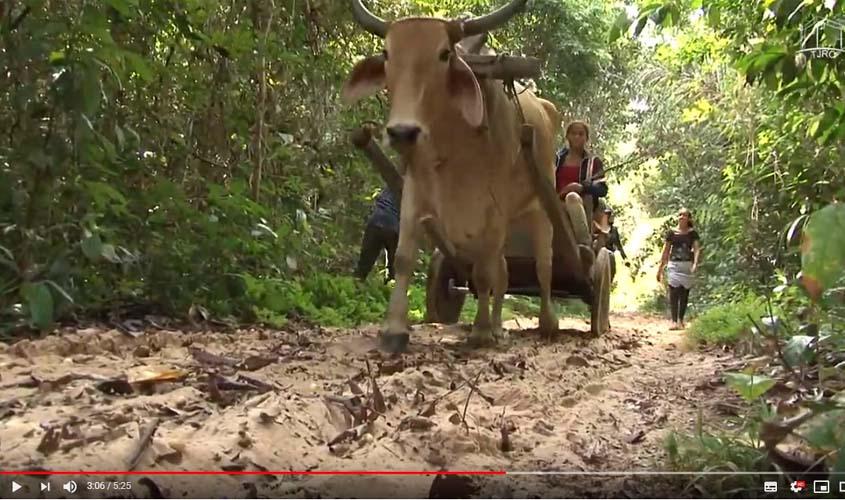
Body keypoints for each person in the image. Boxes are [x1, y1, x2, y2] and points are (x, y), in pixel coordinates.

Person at [554, 121, 609, 250]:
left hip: (584, 204)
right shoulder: (556, 159)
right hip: (557, 202)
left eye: (581, 134)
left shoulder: (593, 162)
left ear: (586, 138)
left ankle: (585, 245)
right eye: (574, 134)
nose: (577, 137)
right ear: (567, 136)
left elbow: (602, 189)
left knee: (572, 197)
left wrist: (582, 188)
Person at [657, 208, 701, 330]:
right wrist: (660, 268)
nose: (682, 217)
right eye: (680, 214)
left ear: (689, 218)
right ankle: (674, 321)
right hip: (674, 265)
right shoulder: (671, 233)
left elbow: (697, 249)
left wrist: (695, 263)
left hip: (686, 265)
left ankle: (681, 320)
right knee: (673, 293)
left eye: (685, 215)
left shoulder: (692, 233)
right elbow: (666, 250)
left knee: (684, 293)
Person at [355, 186, 400, 282]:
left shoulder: (392, 182)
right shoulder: (412, 187)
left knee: (363, 266)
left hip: (376, 221)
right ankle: (390, 286)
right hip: (393, 226)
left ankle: (356, 285)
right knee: (394, 270)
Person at [603, 208, 630, 279]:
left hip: (610, 256)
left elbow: (619, 245)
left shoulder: (614, 230)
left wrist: (625, 259)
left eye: (611, 215)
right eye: (608, 215)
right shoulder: (599, 228)